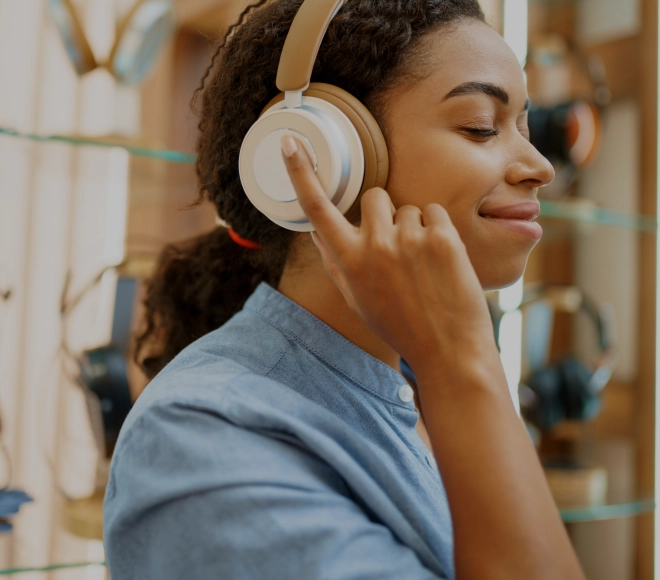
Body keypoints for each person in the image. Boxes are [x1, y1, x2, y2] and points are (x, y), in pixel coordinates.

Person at [104, 0, 586, 578]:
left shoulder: (414, 400)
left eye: (525, 128)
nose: (540, 166)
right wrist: (461, 358)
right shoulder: (200, 434)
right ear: (323, 151)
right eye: (481, 125)